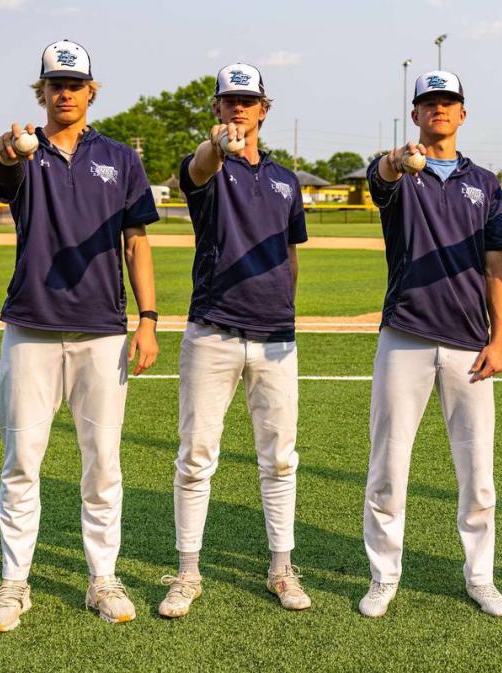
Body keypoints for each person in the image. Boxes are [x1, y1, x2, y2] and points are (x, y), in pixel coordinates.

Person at [0, 38, 160, 632]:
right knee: (21, 464)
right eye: (55, 84)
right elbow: (5, 171)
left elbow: (137, 241)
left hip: (102, 330)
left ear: (90, 91)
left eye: (74, 84)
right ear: (44, 91)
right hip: (30, 326)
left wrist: (149, 319)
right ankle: (14, 584)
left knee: (102, 465)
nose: (64, 93)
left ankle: (101, 579)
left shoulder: (120, 158)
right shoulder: (21, 151)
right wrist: (10, 151)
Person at [359, 71, 502, 618]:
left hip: (470, 344)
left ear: (462, 113)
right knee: (388, 465)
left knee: (477, 472)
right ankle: (384, 575)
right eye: (429, 103)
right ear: (417, 113)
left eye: (448, 103)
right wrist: (395, 163)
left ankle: (480, 576)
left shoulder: (486, 183)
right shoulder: (401, 168)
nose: (439, 110)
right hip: (405, 334)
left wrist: (499, 340)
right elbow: (379, 178)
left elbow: (496, 265)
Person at [158, 63, 311, 618]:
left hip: (275, 338)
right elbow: (196, 168)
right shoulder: (206, 163)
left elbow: (292, 255)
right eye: (231, 100)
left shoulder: (285, 180)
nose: (240, 109)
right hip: (212, 332)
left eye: (250, 100)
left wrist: (284, 308)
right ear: (217, 108)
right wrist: (216, 147)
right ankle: (188, 572)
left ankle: (281, 568)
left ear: (264, 108)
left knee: (280, 460)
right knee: (196, 458)